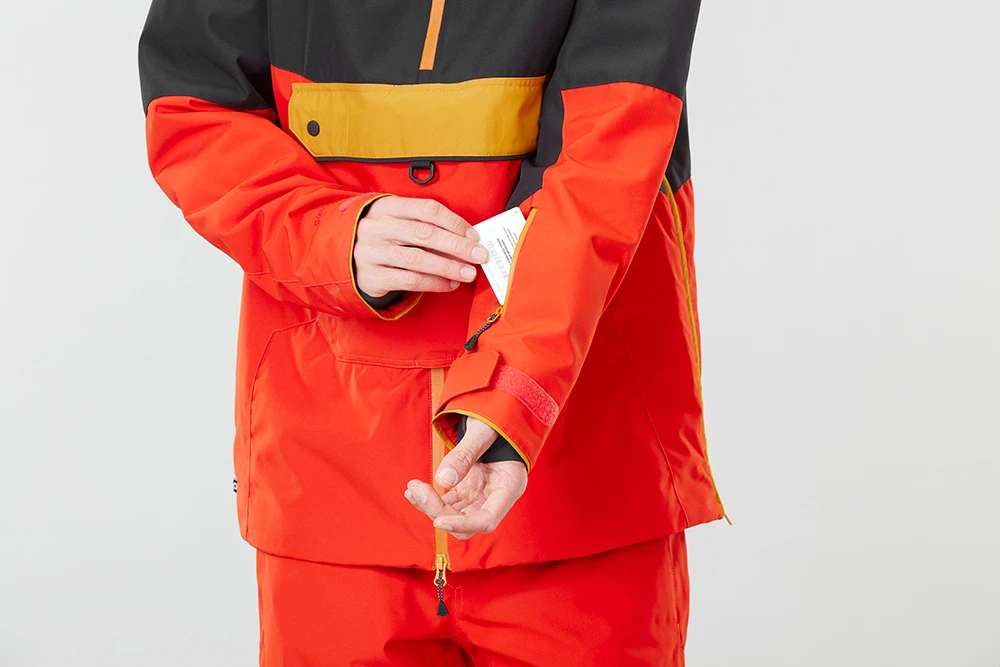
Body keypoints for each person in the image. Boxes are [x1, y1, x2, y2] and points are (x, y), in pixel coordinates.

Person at [138, 0, 724, 664]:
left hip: (576, 476)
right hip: (336, 481)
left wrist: (513, 398)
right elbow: (192, 103)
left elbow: (608, 150)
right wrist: (327, 235)